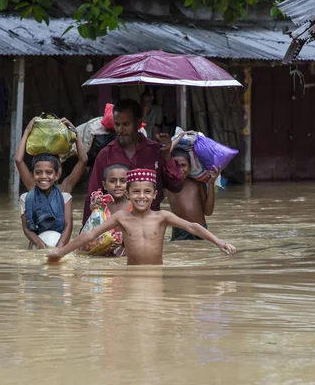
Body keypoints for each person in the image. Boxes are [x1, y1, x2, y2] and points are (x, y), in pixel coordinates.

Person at [48, 169, 236, 265]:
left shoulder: (162, 216)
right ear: (128, 195)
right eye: (136, 191)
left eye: (147, 192)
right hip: (132, 272)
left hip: (156, 272)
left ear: (155, 196)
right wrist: (61, 252)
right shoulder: (121, 217)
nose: (141, 196)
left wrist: (219, 242)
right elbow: (90, 235)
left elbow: (193, 227)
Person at [82, 99, 183, 225]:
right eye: (117, 124)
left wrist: (167, 155)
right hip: (116, 227)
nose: (120, 130)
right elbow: (92, 194)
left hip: (151, 224)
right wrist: (87, 231)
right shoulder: (106, 154)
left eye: (126, 124)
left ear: (138, 123)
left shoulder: (156, 151)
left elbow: (176, 186)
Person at [15, 117, 88, 249]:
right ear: (33, 174)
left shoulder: (64, 192)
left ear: (57, 172)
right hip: (38, 245)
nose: (44, 177)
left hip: (60, 244)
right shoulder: (30, 192)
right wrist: (27, 131)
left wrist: (75, 134)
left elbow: (83, 161)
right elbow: (19, 161)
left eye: (49, 172)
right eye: (39, 172)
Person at [166, 148, 221, 241]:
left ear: (190, 167)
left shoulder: (198, 184)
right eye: (176, 165)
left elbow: (208, 212)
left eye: (183, 165)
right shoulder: (167, 185)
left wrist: (211, 184)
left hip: (200, 230)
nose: (180, 169)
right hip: (179, 231)